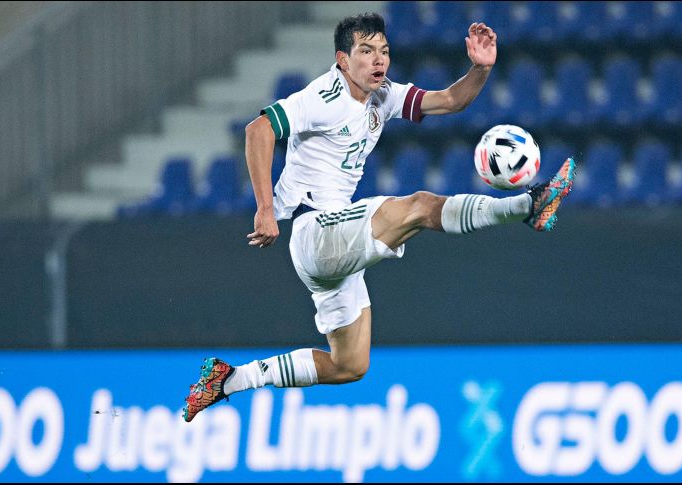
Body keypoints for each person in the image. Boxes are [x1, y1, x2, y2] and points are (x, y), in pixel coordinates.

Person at [182, 13, 576, 422]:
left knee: (349, 365)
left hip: (332, 246)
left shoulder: (382, 95)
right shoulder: (324, 97)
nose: (378, 60)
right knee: (421, 206)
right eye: (366, 51)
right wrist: (265, 210)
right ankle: (528, 207)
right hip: (315, 229)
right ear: (342, 59)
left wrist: (481, 68)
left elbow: (450, 100)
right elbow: (257, 130)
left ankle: (230, 379)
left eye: (383, 51)